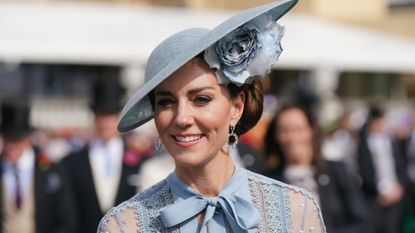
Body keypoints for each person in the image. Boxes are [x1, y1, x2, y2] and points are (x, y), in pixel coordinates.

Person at [98, 0, 326, 232]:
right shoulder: (124, 225)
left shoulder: (296, 211)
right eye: (166, 102)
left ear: (236, 107)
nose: (182, 118)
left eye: (201, 99)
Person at [263, 103, 372, 233]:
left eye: (298, 129)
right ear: (275, 136)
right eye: (284, 131)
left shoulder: (336, 172)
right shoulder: (267, 181)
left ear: (311, 131)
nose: (292, 138)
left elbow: (363, 224)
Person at [62, 77, 151, 233]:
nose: (105, 122)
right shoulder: (72, 162)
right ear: (94, 117)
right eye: (101, 115)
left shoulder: (140, 160)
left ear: (119, 117)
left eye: (110, 115)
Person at [0, 98, 76, 233]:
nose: (11, 146)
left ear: (28, 139)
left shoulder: (51, 170)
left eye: (16, 140)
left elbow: (66, 218)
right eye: (7, 139)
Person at [357, 104, 407, 233]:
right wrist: (379, 191)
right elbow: (364, 171)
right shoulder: (364, 144)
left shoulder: (392, 141)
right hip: (376, 197)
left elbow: (401, 165)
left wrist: (399, 187)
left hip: (395, 193)